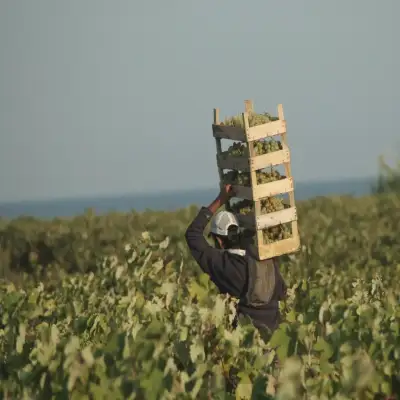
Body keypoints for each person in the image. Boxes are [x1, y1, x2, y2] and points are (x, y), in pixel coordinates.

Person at [184, 184, 287, 333]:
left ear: (219, 240)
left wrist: (220, 199)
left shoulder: (223, 264)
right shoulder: (266, 264)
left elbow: (192, 235)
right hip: (273, 345)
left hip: (246, 346)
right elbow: (282, 293)